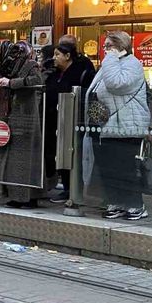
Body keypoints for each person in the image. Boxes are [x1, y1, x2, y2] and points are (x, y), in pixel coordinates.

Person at [85, 31, 149, 220]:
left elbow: (116, 84)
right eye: (104, 46)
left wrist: (111, 58)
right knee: (109, 167)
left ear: (121, 46)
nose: (105, 50)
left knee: (127, 167)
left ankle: (136, 205)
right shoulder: (111, 64)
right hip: (109, 125)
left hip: (129, 125)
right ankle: (117, 201)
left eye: (109, 46)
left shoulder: (132, 64)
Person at [0, 41, 43, 208]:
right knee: (12, 161)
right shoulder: (0, 68)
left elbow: (38, 80)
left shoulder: (30, 65)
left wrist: (11, 83)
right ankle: (14, 195)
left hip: (26, 118)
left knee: (26, 159)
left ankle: (29, 198)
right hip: (7, 118)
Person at [44, 42, 96, 204]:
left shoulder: (80, 73)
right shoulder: (54, 73)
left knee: (71, 153)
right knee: (58, 153)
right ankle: (65, 185)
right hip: (54, 118)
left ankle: (72, 188)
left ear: (67, 56)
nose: (54, 58)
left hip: (73, 119)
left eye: (57, 55)